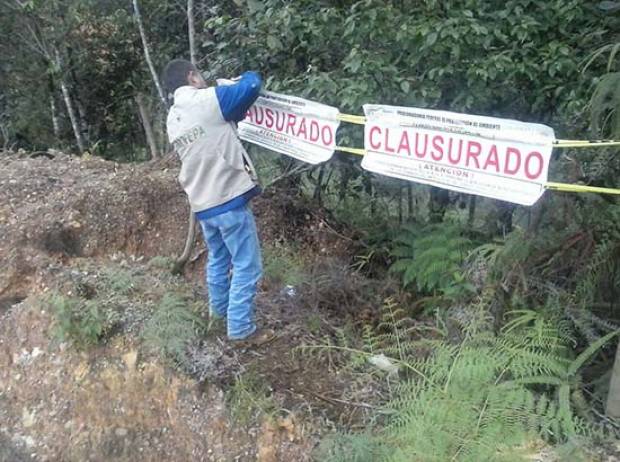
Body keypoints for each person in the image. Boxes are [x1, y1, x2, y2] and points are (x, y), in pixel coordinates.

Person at [162, 59, 267, 343]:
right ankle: (240, 329)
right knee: (247, 264)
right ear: (192, 77)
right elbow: (252, 85)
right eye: (200, 76)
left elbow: (223, 122)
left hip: (203, 205)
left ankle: (218, 318)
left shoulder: (173, 118)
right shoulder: (206, 100)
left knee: (219, 259)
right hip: (228, 198)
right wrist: (245, 73)